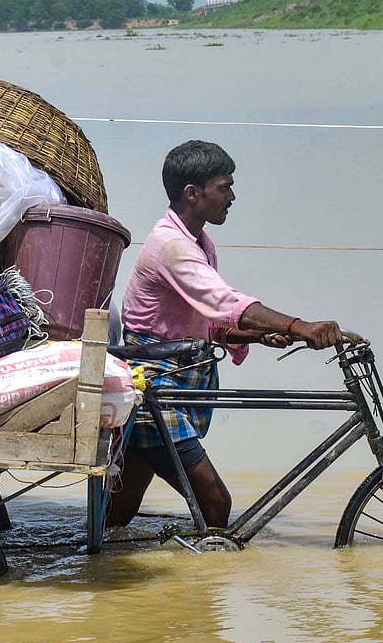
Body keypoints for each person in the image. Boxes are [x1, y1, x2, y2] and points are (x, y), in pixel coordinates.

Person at [105, 140, 341, 530]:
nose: (232, 197)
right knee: (215, 503)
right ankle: (207, 584)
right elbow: (225, 301)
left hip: (171, 383)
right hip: (154, 391)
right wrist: (300, 325)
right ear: (193, 194)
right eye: (224, 187)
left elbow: (206, 321)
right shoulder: (172, 246)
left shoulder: (199, 242)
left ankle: (92, 574)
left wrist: (260, 335)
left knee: (120, 511)